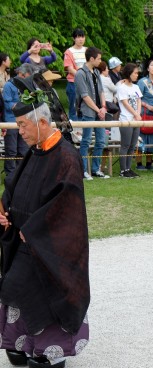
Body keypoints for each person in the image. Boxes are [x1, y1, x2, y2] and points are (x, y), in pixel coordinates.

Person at [0, 91, 89, 368]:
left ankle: (52, 352)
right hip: (25, 240)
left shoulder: (66, 156)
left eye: (23, 125)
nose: (20, 131)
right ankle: (21, 344)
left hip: (51, 246)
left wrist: (35, 228)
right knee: (15, 287)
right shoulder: (35, 152)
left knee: (46, 294)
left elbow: (67, 203)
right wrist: (5, 209)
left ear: (41, 122)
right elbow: (17, 186)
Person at [75, 47, 110, 180]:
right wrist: (98, 110)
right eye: (99, 58)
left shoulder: (96, 72)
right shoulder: (80, 74)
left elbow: (101, 91)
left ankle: (96, 169)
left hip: (99, 111)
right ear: (91, 59)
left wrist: (103, 107)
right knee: (86, 141)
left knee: (101, 141)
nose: (100, 61)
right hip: (88, 112)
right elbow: (84, 96)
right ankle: (83, 170)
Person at [2, 64, 36, 176]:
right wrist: (22, 105)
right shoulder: (8, 86)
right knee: (11, 151)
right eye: (27, 77)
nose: (28, 79)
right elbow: (7, 105)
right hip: (11, 121)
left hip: (24, 122)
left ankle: (22, 174)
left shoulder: (26, 85)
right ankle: (11, 175)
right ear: (21, 74)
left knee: (23, 149)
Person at [116, 63, 142, 178]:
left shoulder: (136, 87)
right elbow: (125, 103)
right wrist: (135, 114)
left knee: (132, 146)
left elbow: (139, 100)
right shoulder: (122, 87)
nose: (137, 75)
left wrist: (138, 114)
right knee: (125, 145)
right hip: (126, 119)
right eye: (135, 73)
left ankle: (128, 168)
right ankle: (123, 170)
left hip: (135, 120)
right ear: (129, 73)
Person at [136, 59, 153, 171]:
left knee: (152, 137)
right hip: (143, 113)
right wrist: (147, 106)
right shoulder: (142, 82)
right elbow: (137, 98)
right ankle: (139, 163)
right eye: (152, 65)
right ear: (147, 68)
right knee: (141, 137)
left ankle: (149, 163)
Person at [64, 28, 87, 121]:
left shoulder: (87, 50)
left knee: (85, 106)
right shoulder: (69, 52)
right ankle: (74, 129)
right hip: (73, 82)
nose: (81, 39)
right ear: (74, 39)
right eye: (78, 37)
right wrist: (81, 77)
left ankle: (84, 127)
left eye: (82, 37)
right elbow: (70, 68)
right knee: (73, 107)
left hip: (86, 82)